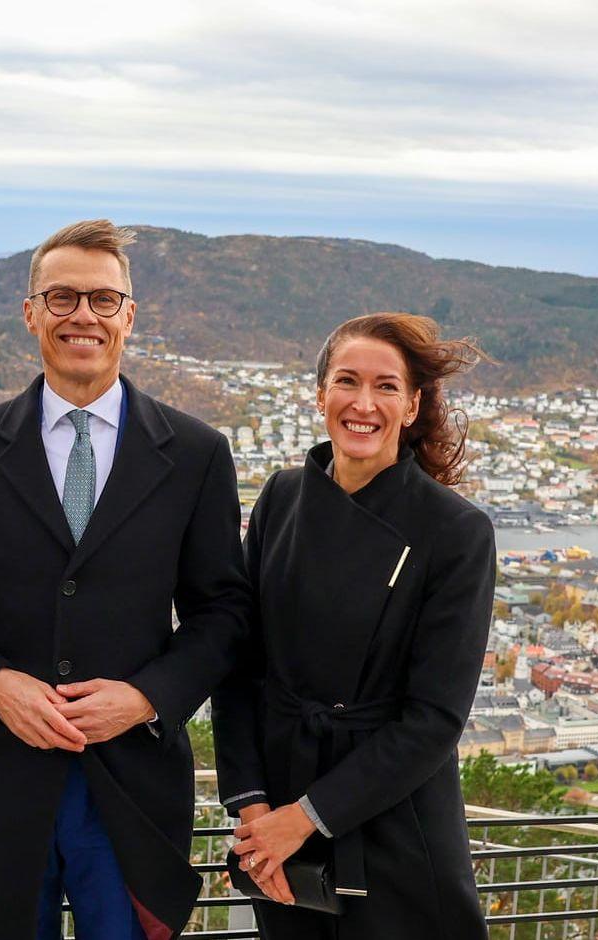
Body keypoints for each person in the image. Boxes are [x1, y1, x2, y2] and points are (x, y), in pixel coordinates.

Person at [0, 220, 251, 939]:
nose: (82, 315)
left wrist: (146, 697)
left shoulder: (196, 454)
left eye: (102, 300)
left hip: (133, 783)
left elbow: (224, 613)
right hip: (1, 776)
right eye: (60, 298)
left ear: (128, 317)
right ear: (30, 314)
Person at [212, 312, 495, 938]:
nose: (364, 403)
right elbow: (239, 669)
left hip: (393, 819)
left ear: (413, 405)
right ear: (320, 396)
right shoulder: (280, 500)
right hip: (280, 814)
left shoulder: (455, 531)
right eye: (347, 381)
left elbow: (435, 720)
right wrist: (254, 806)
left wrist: (308, 817)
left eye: (387, 386)